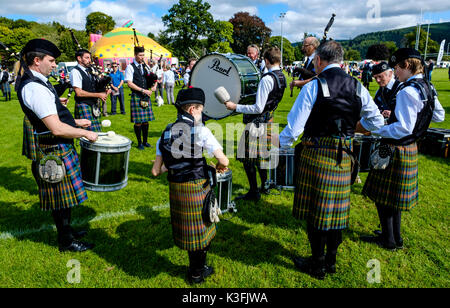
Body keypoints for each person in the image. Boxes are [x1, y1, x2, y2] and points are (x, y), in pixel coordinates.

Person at [279, 41, 385, 279]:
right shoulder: (358, 86)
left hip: (317, 156)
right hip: (344, 156)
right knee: (335, 213)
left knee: (317, 213)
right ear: (341, 60)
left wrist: (279, 144)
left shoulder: (313, 86)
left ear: (319, 61)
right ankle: (332, 261)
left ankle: (317, 264)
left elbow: (294, 130)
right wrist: (353, 130)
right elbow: (377, 123)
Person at [16, 38, 98, 252]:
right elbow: (56, 128)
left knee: (63, 199)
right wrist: (85, 133)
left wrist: (75, 121)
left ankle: (67, 231)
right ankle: (66, 241)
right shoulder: (34, 88)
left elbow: (54, 118)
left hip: (56, 147)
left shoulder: (39, 81)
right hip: (53, 149)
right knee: (59, 200)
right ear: (37, 60)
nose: (54, 65)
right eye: (51, 61)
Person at [361, 48, 445, 250]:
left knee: (384, 198)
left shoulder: (407, 90)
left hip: (395, 147)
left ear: (406, 66)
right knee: (394, 198)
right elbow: (438, 115)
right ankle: (394, 237)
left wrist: (378, 130)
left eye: (396, 68)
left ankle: (388, 240)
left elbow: (403, 127)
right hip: (410, 147)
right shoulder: (427, 86)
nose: (395, 72)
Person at [152, 87, 229, 284]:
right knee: (201, 231)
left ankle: (196, 269)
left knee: (190, 233)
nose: (201, 114)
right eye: (201, 110)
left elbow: (156, 171)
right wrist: (217, 166)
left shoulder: (165, 132)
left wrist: (176, 166)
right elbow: (224, 160)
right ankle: (197, 273)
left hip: (177, 188)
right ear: (193, 109)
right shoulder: (201, 130)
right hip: (196, 187)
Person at [225, 47, 287, 201]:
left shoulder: (267, 78)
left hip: (257, 122)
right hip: (268, 119)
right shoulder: (282, 76)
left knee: (247, 159)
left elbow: (258, 107)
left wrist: (235, 107)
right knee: (261, 158)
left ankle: (254, 191)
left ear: (266, 60)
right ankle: (265, 185)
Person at [125, 46, 157, 150]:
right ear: (135, 55)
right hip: (137, 96)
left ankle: (145, 141)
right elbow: (129, 83)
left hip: (146, 96)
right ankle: (139, 143)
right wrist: (143, 90)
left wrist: (154, 85)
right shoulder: (130, 67)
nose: (142, 57)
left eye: (143, 55)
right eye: (140, 55)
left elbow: (151, 78)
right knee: (138, 121)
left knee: (146, 121)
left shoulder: (145, 66)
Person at [70, 49, 109, 131]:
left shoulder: (90, 70)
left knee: (97, 132)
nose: (90, 60)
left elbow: (94, 87)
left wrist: (104, 90)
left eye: (90, 58)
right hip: (84, 104)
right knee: (87, 134)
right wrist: (98, 95)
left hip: (94, 105)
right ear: (79, 59)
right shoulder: (75, 71)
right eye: (87, 58)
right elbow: (79, 92)